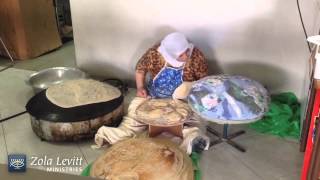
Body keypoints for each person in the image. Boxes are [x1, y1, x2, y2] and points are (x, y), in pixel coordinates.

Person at [95, 32, 210, 154]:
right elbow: (140, 69)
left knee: (195, 120)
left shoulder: (196, 56)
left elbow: (203, 82)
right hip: (153, 97)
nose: (186, 56)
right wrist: (140, 88)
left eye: (186, 51)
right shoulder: (155, 53)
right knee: (134, 116)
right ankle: (112, 135)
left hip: (182, 100)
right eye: (181, 55)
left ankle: (193, 140)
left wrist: (189, 90)